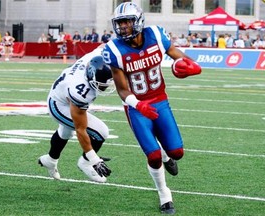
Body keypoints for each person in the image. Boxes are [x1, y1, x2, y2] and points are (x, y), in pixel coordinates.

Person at [102, 2, 201, 214]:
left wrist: (193, 66)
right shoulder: (114, 50)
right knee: (153, 155)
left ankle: (169, 158)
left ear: (138, 21)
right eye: (120, 23)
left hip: (160, 100)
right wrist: (138, 104)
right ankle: (165, 195)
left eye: (127, 22)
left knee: (177, 151)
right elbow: (121, 90)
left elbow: (176, 54)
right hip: (137, 107)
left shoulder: (155, 35)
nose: (123, 27)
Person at [38, 45, 115, 183]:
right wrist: (93, 159)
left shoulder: (94, 58)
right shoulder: (81, 91)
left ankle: (50, 160)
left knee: (65, 131)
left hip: (62, 93)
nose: (106, 87)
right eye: (102, 84)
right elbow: (81, 129)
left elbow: (105, 46)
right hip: (58, 105)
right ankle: (85, 162)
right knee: (100, 132)